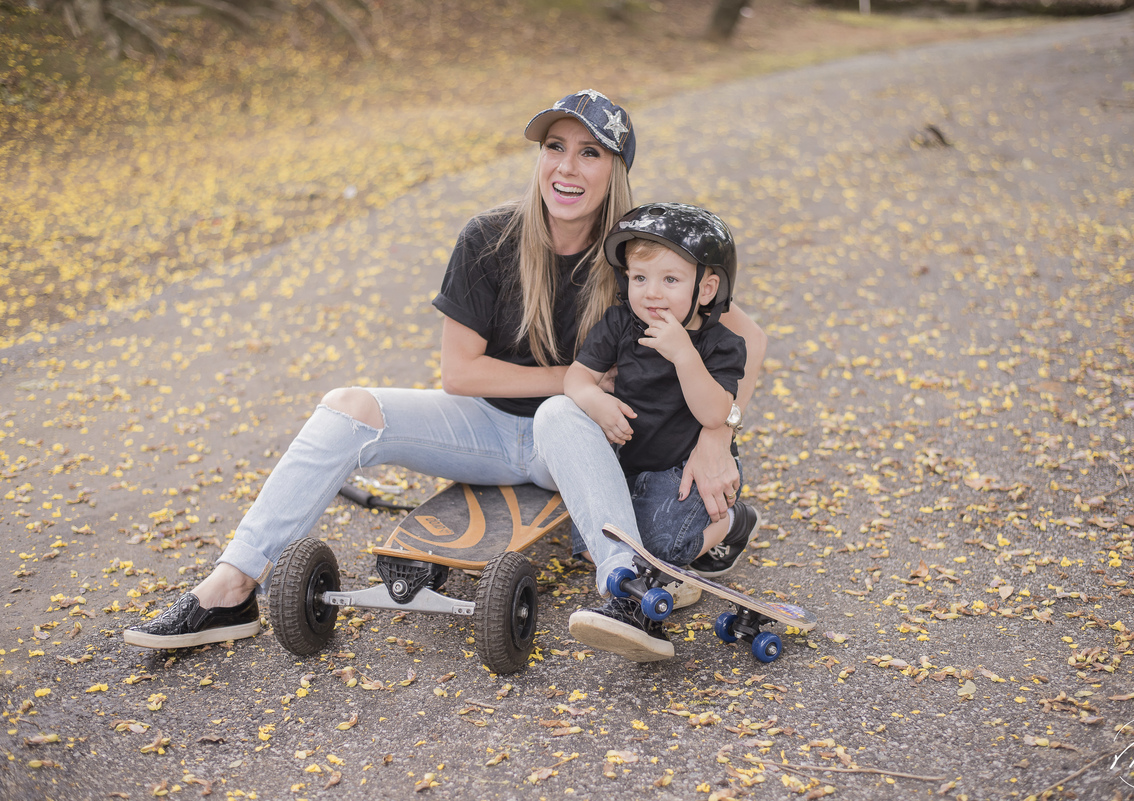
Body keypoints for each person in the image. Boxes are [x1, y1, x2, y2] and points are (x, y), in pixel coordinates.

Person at [123, 88, 766, 661]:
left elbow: (747, 338)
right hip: (490, 429)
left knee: (565, 421)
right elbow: (460, 374)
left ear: (616, 169)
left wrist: (716, 438)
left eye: (590, 153)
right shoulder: (490, 238)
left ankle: (623, 586)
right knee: (348, 406)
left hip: (581, 441)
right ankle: (232, 587)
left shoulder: (639, 254)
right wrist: (575, 380)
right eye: (554, 147)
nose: (567, 167)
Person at [550, 203, 758, 662]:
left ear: (706, 289)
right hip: (631, 462)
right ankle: (653, 571)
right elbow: (576, 379)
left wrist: (684, 355)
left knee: (664, 544)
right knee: (590, 542)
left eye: (670, 280)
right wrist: (596, 401)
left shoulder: (721, 344)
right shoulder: (622, 322)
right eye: (640, 278)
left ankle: (731, 521)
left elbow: (715, 413)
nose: (651, 293)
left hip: (683, 468)